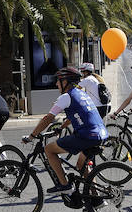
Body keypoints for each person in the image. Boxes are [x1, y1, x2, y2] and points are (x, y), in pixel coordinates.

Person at [23, 66, 107, 195]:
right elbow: (73, 115)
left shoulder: (66, 96)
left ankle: (64, 185)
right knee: (81, 165)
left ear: (66, 81)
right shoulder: (82, 94)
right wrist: (61, 128)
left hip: (86, 136)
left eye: (58, 81)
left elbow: (48, 118)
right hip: (101, 134)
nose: (56, 84)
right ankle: (96, 198)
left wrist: (31, 136)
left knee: (49, 149)